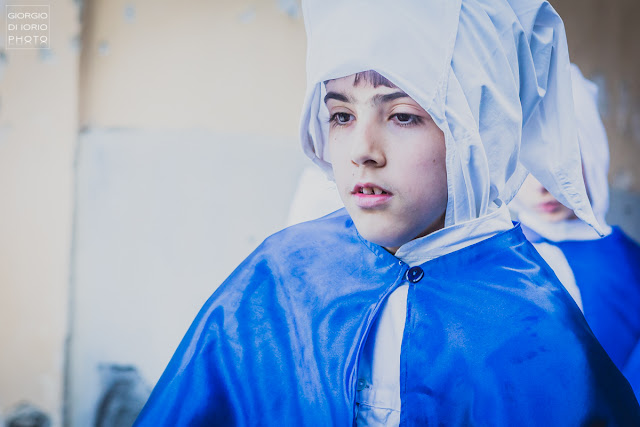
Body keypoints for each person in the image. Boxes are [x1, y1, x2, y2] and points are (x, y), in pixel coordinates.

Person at [134, 0, 640, 425]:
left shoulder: (540, 330)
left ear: (478, 134)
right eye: (341, 115)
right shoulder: (280, 278)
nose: (362, 150)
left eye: (402, 115)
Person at [512, 64, 640, 401]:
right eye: (527, 166)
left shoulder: (629, 264)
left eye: (562, 163)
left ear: (593, 155)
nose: (543, 185)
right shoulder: (497, 255)